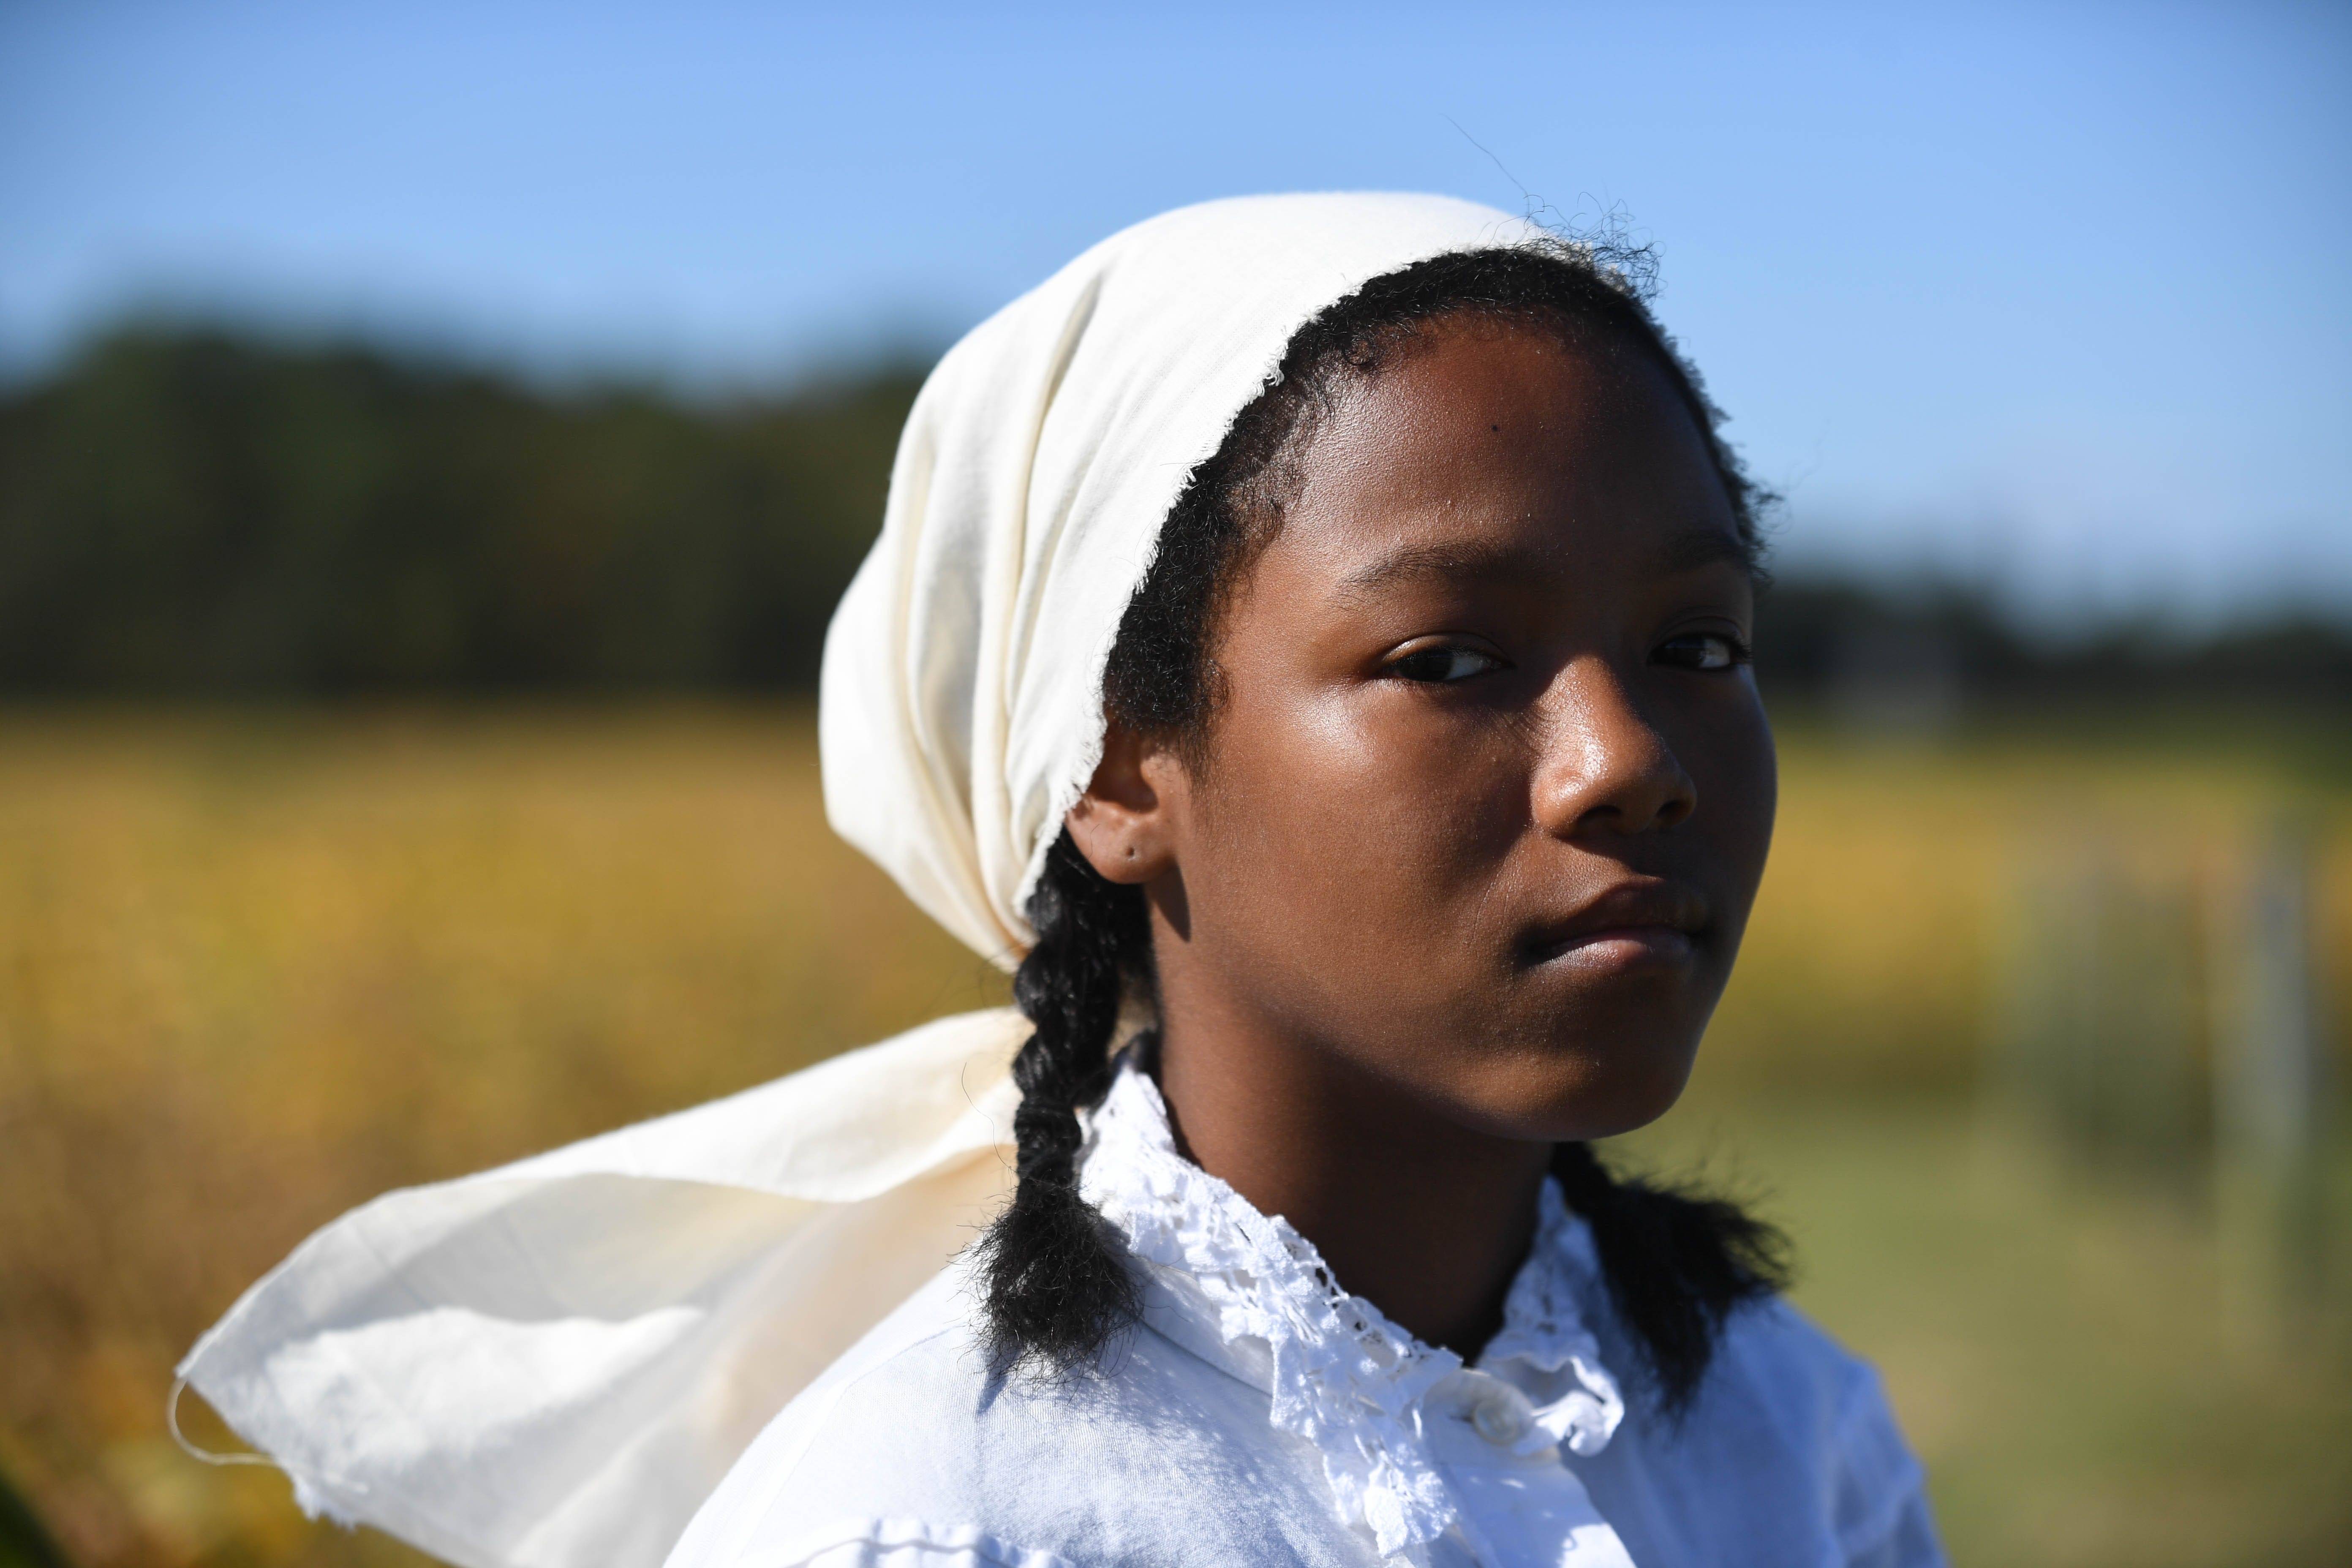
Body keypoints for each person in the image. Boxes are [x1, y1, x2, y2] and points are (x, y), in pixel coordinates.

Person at [180, 194, 1941, 1568]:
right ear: (1114, 767)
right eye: (1453, 658)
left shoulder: (1795, 1447)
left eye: (1699, 639)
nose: (1627, 753)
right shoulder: (935, 1519)